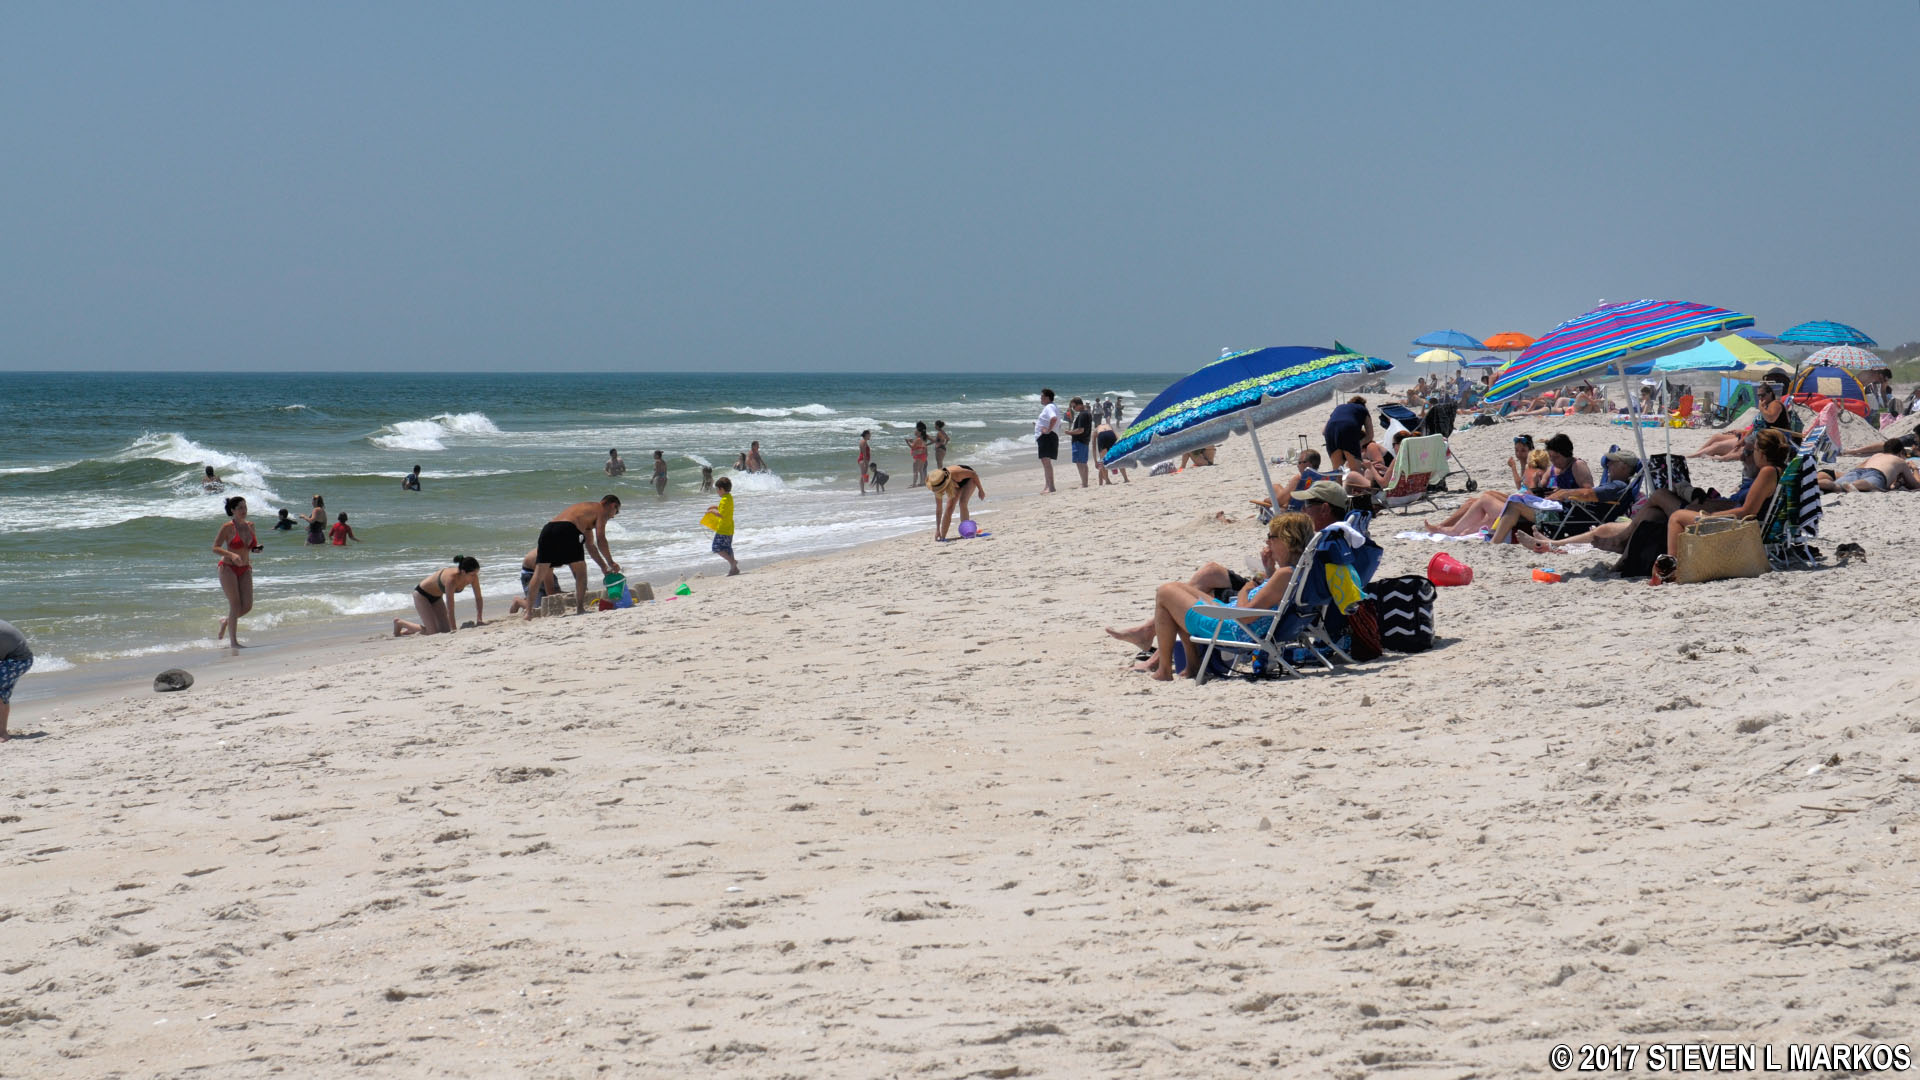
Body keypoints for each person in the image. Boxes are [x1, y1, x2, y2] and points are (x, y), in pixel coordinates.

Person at [1134, 512, 1314, 681]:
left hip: (1234, 628)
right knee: (1180, 589)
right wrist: (1268, 571)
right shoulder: (1297, 572)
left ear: (1286, 541)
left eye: (1271, 537)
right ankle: (1192, 665)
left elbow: (1248, 615)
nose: (1267, 542)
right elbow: (1270, 600)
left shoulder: (1285, 574)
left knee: (1166, 592)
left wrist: (1247, 587)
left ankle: (1165, 670)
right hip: (1235, 619)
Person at [1666, 429, 1790, 576]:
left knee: (1677, 517)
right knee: (1684, 513)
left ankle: (1673, 570)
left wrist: (1711, 516)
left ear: (1762, 453)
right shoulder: (1782, 470)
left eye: (1754, 450)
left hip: (1743, 528)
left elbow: (1747, 511)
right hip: (1754, 526)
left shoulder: (1767, 472)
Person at [523, 495, 621, 620]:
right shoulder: (601, 510)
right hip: (568, 529)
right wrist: (611, 562)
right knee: (581, 571)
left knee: (538, 574)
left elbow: (591, 546)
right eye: (616, 512)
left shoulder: (584, 513)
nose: (613, 516)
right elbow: (601, 539)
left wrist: (604, 566)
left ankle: (528, 613)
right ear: (613, 505)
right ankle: (580, 608)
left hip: (548, 529)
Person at [1693, 383, 1789, 460]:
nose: (1760, 398)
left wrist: (1761, 408)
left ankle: (1702, 457)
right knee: (1717, 438)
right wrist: (1743, 438)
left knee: (1717, 445)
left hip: (1767, 440)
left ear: (1770, 394)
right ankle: (1697, 454)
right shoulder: (1765, 406)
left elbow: (1771, 418)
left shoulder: (1775, 404)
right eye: (1758, 396)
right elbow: (1755, 427)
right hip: (1754, 436)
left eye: (1763, 395)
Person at [394, 556, 484, 637]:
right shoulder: (451, 579)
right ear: (463, 572)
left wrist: (479, 619)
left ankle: (412, 630)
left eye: (476, 573)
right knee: (432, 632)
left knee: (445, 631)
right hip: (422, 595)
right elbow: (450, 606)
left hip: (436, 598)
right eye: (472, 574)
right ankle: (400, 623)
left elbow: (478, 598)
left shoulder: (473, 578)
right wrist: (454, 629)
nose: (474, 577)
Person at [213, 495, 260, 648]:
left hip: (245, 568)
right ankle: (234, 642)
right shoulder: (228, 527)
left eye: (245, 507)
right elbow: (216, 548)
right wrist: (232, 555)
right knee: (235, 604)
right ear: (232, 510)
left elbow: (251, 546)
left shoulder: (250, 525)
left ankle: (226, 621)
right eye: (240, 508)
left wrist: (256, 549)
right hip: (228, 568)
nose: (243, 510)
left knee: (247, 606)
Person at [1820, 439, 1919, 493]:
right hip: (1877, 474)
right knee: (1871, 486)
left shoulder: (1876, 455)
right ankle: (1858, 484)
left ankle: (1831, 485)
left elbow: (1859, 467)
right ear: (1901, 452)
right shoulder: (1900, 461)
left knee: (1837, 486)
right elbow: (1915, 485)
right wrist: (1914, 469)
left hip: (1857, 471)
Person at [927, 465, 986, 540]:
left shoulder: (957, 473)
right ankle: (942, 537)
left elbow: (974, 474)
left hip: (969, 479)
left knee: (962, 503)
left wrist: (980, 489)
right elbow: (939, 510)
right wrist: (937, 530)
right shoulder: (936, 484)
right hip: (953, 482)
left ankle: (967, 532)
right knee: (949, 507)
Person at [0, 619, 35, 741]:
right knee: (2, 695)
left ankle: (2, 733)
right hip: (12, 658)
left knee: (1, 694)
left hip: (18, 661)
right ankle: (2, 732)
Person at [1322, 396, 1373, 472]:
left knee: (1337, 471)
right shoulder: (1363, 409)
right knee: (1355, 470)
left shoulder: (1339, 407)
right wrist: (1360, 443)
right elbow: (1370, 435)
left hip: (1330, 431)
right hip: (1348, 428)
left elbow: (1323, 431)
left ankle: (1338, 482)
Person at [508, 549, 560, 615]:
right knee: (538, 608)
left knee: (557, 598)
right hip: (530, 574)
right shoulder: (549, 555)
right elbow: (550, 593)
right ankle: (518, 601)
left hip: (546, 571)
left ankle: (531, 598)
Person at [706, 477, 738, 575]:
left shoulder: (724, 500)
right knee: (727, 548)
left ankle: (733, 562)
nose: (717, 492)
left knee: (716, 547)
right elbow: (724, 509)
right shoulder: (729, 497)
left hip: (723, 529)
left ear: (721, 489)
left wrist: (712, 511)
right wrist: (715, 507)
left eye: (717, 489)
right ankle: (734, 569)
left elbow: (721, 514)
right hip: (730, 528)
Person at [1035, 388, 1061, 493]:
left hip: (1047, 437)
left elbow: (1053, 418)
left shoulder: (1049, 407)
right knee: (1045, 461)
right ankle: (1048, 486)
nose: (1040, 398)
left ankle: (1050, 487)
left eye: (1042, 397)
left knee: (1046, 461)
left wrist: (1048, 430)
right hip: (1048, 436)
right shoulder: (1052, 406)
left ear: (1047, 398)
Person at [1067, 397, 1094, 487]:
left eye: (1074, 406)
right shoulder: (1087, 413)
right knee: (1083, 463)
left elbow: (1080, 430)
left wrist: (1069, 432)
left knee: (1080, 463)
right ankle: (1084, 482)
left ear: (1080, 405)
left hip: (1080, 441)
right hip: (1084, 440)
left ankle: (1084, 483)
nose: (1073, 409)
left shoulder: (1082, 414)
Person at [1095, 417, 1126, 485]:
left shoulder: (1096, 430)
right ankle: (1126, 478)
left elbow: (1093, 446)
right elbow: (1116, 436)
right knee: (1118, 458)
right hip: (1111, 434)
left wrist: (1095, 461)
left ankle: (1107, 481)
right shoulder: (1109, 426)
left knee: (1103, 461)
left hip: (1102, 437)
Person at [906, 423, 930, 487]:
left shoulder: (918, 439)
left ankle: (914, 484)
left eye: (916, 430)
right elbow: (918, 446)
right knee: (920, 470)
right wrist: (912, 442)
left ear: (919, 432)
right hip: (922, 456)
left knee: (915, 470)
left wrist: (907, 442)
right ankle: (922, 482)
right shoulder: (921, 439)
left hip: (918, 456)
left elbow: (912, 447)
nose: (915, 431)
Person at [857, 430, 874, 494]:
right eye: (869, 435)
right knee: (863, 475)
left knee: (864, 475)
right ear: (866, 435)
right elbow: (864, 453)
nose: (870, 436)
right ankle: (862, 490)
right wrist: (865, 462)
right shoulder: (863, 442)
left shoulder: (864, 441)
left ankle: (863, 490)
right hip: (863, 460)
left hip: (864, 460)